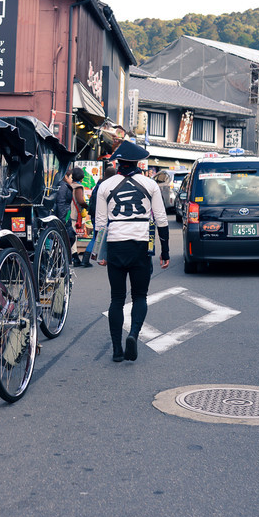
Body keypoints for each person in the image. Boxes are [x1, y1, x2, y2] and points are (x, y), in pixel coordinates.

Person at [94, 140, 170, 363]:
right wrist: (165, 251)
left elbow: (100, 223)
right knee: (139, 296)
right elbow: (161, 219)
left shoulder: (105, 186)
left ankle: (117, 349)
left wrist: (101, 254)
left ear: (119, 162)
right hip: (140, 245)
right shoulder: (150, 184)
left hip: (116, 244)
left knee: (117, 299)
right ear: (137, 161)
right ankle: (134, 335)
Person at [82, 162, 117, 268]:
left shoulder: (99, 183)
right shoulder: (110, 185)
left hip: (94, 213)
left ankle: (86, 258)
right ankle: (101, 257)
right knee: (107, 235)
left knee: (96, 236)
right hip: (104, 213)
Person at [55, 166, 86, 264]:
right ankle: (72, 257)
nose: (71, 179)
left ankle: (71, 256)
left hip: (68, 213)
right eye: (70, 177)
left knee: (70, 235)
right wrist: (88, 207)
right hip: (69, 214)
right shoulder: (74, 187)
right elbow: (79, 201)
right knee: (70, 235)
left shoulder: (67, 186)